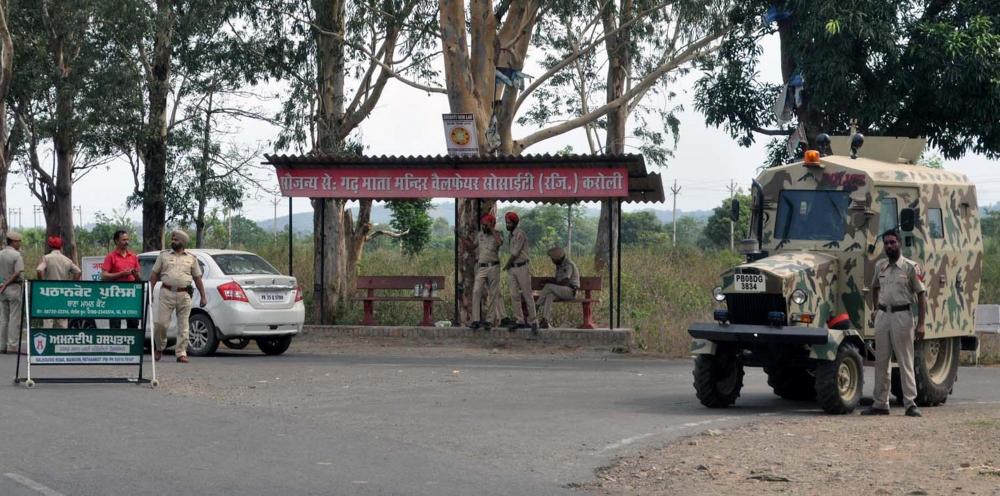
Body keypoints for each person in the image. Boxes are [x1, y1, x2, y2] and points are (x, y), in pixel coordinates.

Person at [862, 229, 926, 418]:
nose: (889, 246)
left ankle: (910, 403)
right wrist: (875, 309)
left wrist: (921, 324)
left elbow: (922, 296)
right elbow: (874, 287)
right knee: (881, 361)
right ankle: (881, 403)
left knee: (905, 360)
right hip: (883, 316)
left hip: (902, 316)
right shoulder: (880, 267)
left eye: (893, 242)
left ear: (899, 243)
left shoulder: (910, 267)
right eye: (886, 243)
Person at [148, 229, 207, 363]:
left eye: (176, 240)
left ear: (183, 242)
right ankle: (159, 347)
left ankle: (181, 353)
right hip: (166, 293)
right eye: (172, 239)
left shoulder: (191, 258)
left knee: (184, 325)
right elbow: (154, 275)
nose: (173, 241)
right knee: (161, 324)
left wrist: (203, 296)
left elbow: (197, 278)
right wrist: (150, 292)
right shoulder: (163, 255)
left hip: (184, 294)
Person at [502, 211, 538, 333]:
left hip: (521, 267)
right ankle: (519, 320)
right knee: (514, 295)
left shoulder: (519, 234)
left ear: (514, 223)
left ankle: (533, 321)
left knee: (527, 295)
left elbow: (515, 253)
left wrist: (506, 265)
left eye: (509, 222)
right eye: (506, 222)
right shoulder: (510, 235)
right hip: (513, 268)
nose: (507, 224)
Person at [466, 213, 503, 330]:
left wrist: (491, 229)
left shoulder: (498, 234)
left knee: (493, 294)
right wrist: (462, 238)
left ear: (492, 224)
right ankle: (476, 320)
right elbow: (472, 247)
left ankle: (489, 320)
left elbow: (499, 243)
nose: (483, 227)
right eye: (482, 225)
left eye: (485, 225)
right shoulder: (480, 235)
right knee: (476, 291)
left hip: (494, 267)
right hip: (482, 267)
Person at [35, 236, 82, 329]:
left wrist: (42, 284)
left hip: (49, 293)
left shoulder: (46, 258)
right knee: (62, 321)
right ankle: (61, 341)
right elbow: (78, 272)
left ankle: (48, 342)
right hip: (63, 293)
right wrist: (71, 285)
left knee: (48, 320)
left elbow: (39, 270)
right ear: (60, 247)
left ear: (50, 247)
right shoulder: (67, 260)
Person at [102, 230, 141, 330]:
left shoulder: (133, 256)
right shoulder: (110, 257)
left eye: (127, 239)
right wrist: (121, 274)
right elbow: (104, 276)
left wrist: (136, 275)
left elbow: (139, 278)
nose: (126, 242)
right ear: (116, 241)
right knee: (115, 324)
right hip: (116, 296)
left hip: (131, 296)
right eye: (123, 240)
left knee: (133, 324)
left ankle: (132, 345)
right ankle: (115, 345)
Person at [536, 246, 580, 330]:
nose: (552, 261)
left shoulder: (568, 264)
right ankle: (545, 320)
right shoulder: (559, 265)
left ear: (558, 258)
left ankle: (536, 306)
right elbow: (558, 280)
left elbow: (565, 281)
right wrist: (548, 280)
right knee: (549, 295)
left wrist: (550, 283)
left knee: (548, 286)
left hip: (570, 291)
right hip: (562, 291)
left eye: (553, 259)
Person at [0, 231, 24, 354]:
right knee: (14, 317)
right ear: (13, 242)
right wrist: (7, 283)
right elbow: (18, 272)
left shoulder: (0, 254)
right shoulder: (16, 255)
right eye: (18, 241)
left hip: (2, 289)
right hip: (13, 287)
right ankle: (12, 346)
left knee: (3, 318)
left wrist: (2, 284)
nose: (19, 243)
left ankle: (2, 345)